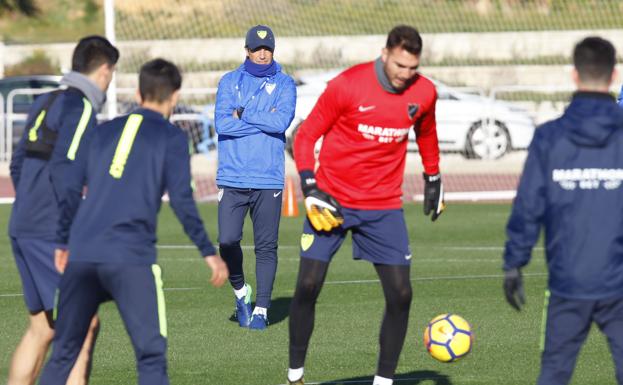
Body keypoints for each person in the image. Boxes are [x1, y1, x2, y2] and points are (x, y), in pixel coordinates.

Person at [38, 58, 228, 385]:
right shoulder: (171, 138)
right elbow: (182, 201)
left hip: (82, 254)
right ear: (174, 96)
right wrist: (208, 251)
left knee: (64, 353)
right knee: (150, 357)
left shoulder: (101, 131)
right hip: (130, 257)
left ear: (138, 93)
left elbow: (70, 187)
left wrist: (62, 240)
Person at [287, 25, 445, 385]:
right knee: (308, 285)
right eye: (400, 66)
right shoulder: (348, 85)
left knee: (401, 294)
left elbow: (427, 132)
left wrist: (433, 176)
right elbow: (306, 135)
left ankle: (383, 381)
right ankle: (295, 375)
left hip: (383, 205)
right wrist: (310, 185)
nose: (406, 75)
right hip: (331, 200)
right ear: (385, 53)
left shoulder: (425, 93)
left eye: (413, 68)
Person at [503, 36, 623, 385]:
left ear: (574, 75)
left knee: (554, 373)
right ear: (614, 75)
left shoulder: (549, 137)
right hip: (618, 280)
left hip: (569, 281)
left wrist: (514, 262)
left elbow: (528, 205)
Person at [7, 35, 119, 385]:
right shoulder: (81, 107)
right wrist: (67, 235)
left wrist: (29, 200)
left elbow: (17, 163)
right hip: (48, 230)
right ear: (103, 71)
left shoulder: (46, 101)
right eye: (112, 71)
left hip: (22, 222)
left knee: (43, 329)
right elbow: (67, 172)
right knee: (84, 324)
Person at [214, 24, 296, 329]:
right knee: (227, 240)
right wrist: (263, 120)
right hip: (232, 177)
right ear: (247, 50)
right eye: (257, 49)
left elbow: (281, 122)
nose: (263, 54)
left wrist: (244, 114)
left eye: (268, 49)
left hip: (268, 178)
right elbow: (222, 125)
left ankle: (261, 309)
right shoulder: (229, 82)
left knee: (266, 246)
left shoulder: (286, 84)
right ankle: (240, 291)